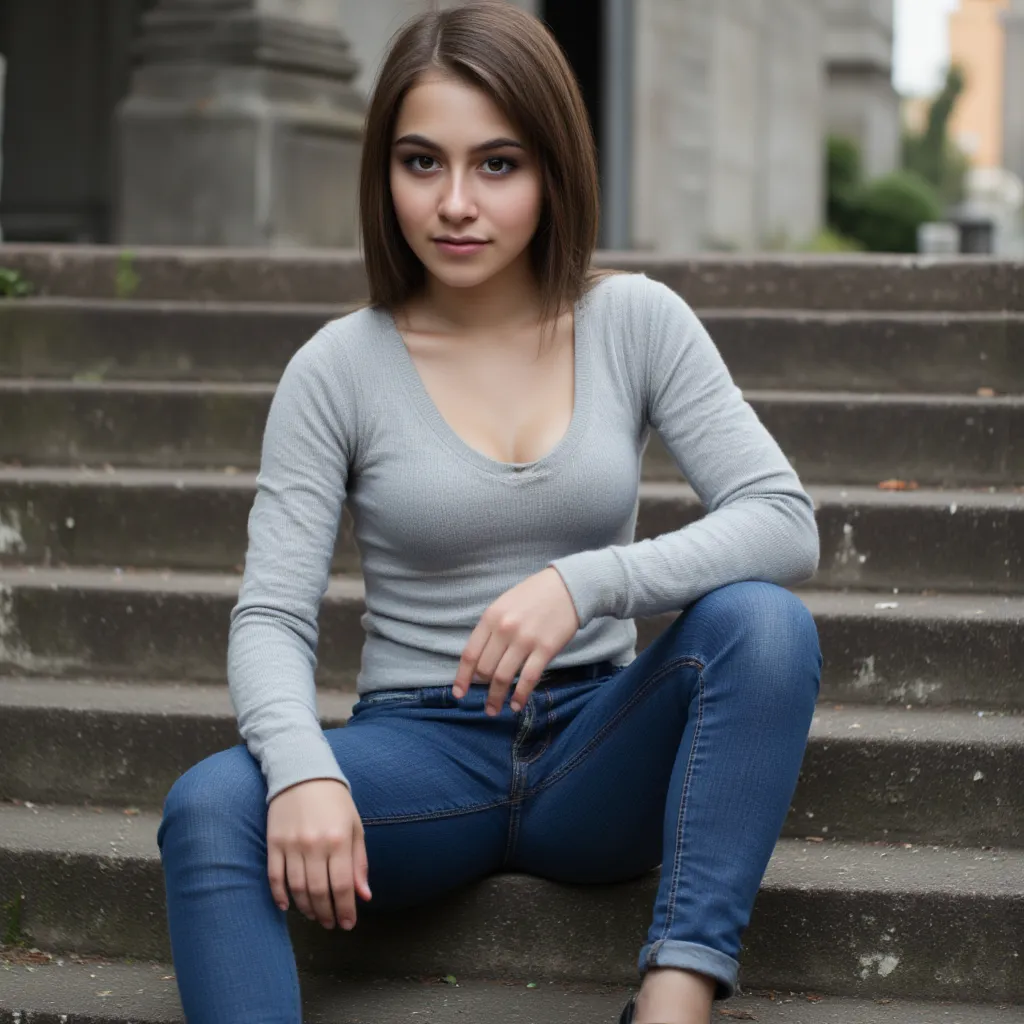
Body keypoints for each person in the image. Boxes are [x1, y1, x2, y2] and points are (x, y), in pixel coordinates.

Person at [156, 3, 822, 1022]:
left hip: (598, 750)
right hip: (420, 757)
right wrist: (300, 772)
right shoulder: (337, 368)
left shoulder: (634, 322)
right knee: (212, 804)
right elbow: (271, 618)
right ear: (383, 173)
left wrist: (585, 580)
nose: (455, 203)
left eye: (497, 165)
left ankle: (675, 998)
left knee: (764, 624)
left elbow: (782, 518)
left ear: (553, 170)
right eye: (422, 163)